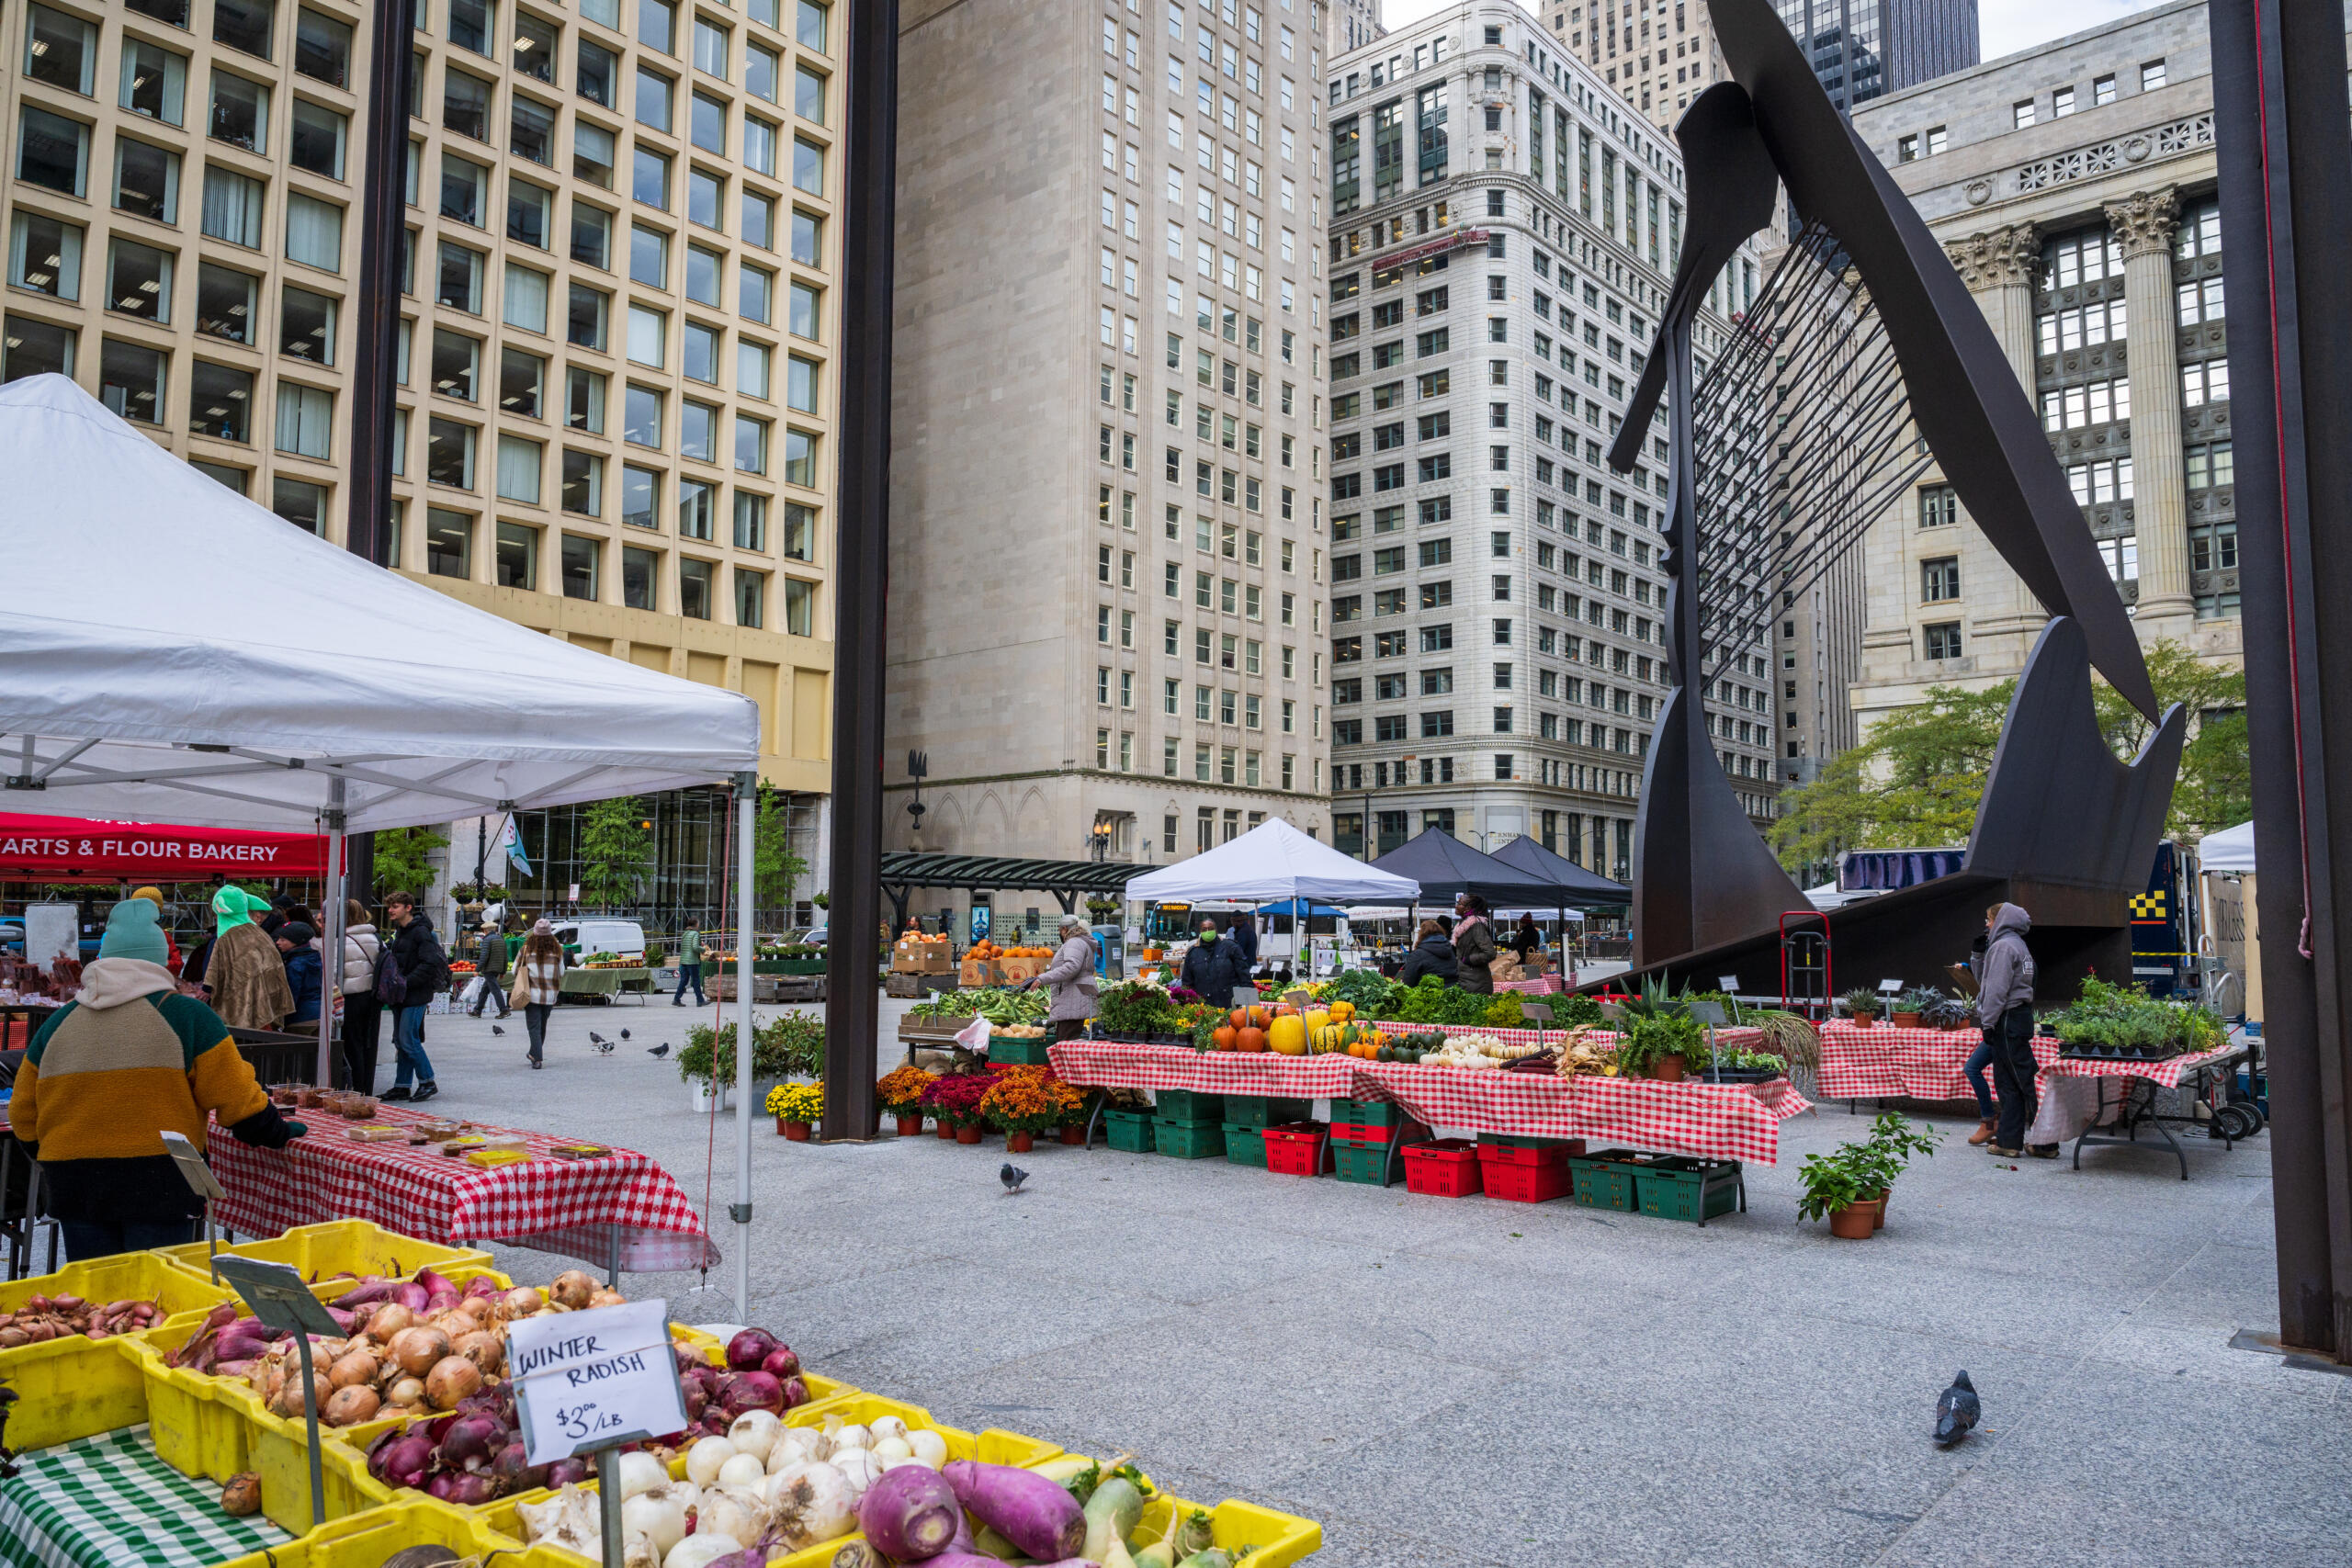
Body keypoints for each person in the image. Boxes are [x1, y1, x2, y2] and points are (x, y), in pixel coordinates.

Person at [8, 898, 304, 1261]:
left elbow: (23, 1112)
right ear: (160, 961)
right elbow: (238, 1101)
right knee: (160, 1296)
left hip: (74, 1183)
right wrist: (276, 1132)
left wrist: (59, 1156)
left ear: (102, 958)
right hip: (162, 1182)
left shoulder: (57, 1022)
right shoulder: (185, 1014)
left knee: (96, 1305)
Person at [1977, 901, 2052, 1157]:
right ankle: (2009, 1142)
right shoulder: (2019, 945)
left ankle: (2046, 1142)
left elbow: (1995, 990)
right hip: (2017, 1018)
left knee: (2024, 1082)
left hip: (2006, 1019)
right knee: (2010, 1082)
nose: (1986, 924)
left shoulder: (2002, 947)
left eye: (1988, 919)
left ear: (2001, 921)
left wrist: (1987, 1023)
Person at [380, 891, 447, 1103]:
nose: (391, 910)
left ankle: (428, 1081)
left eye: (396, 906)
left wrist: (406, 982)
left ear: (408, 907)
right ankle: (402, 1086)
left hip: (415, 994)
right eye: (390, 906)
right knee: (402, 1042)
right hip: (402, 993)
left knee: (409, 1040)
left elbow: (429, 963)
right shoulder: (402, 931)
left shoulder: (420, 932)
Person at [204, 886, 293, 1030]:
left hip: (236, 1014)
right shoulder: (261, 935)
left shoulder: (226, 938)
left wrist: (205, 990)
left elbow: (212, 973)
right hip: (266, 1010)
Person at [1026, 914, 1100, 1041]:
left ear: (1065, 929)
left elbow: (1071, 967)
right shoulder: (1079, 941)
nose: (1060, 933)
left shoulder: (1074, 942)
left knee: (1065, 1042)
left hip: (1072, 1000)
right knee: (1069, 1041)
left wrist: (1042, 978)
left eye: (1060, 930)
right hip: (1074, 998)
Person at [338, 898, 382, 1094]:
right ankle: (365, 1087)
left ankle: (355, 1086)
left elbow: (335, 974)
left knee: (351, 1043)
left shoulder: (342, 941)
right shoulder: (375, 938)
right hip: (372, 997)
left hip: (351, 997)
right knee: (367, 1043)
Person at [509, 919, 566, 1069]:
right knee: (542, 1026)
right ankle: (534, 1053)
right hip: (549, 995)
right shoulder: (557, 950)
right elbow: (562, 972)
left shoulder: (526, 949)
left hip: (531, 994)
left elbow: (514, 969)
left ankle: (537, 1058)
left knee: (534, 1026)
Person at [1179, 919, 1246, 1008]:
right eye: (1204, 929)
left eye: (1210, 929)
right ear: (1200, 932)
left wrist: (1243, 1005)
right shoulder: (1192, 953)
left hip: (1228, 1005)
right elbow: (1187, 983)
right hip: (1203, 1008)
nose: (1207, 932)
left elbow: (1243, 976)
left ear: (1216, 931)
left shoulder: (1230, 948)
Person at [275, 921, 322, 1029]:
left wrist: (282, 1017)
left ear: (295, 942)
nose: (278, 942)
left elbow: (291, 995)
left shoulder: (295, 965)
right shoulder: (315, 959)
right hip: (318, 1014)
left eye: (283, 939)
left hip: (300, 1018)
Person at [129, 886, 182, 975]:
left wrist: (153, 964)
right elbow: (104, 962)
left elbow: (177, 965)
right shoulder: (120, 933)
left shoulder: (162, 936)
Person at [1453, 894, 1498, 995]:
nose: (1456, 905)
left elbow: (1490, 953)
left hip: (1477, 985)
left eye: (1459, 903)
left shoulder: (1476, 925)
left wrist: (1469, 960)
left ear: (1467, 908)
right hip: (1467, 982)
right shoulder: (1462, 925)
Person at [469, 921, 512, 1020]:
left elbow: (484, 956)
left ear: (485, 930)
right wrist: (503, 971)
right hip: (498, 968)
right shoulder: (501, 939)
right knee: (485, 990)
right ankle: (477, 1010)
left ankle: (504, 1009)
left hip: (489, 969)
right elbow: (505, 956)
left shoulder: (487, 940)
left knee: (495, 989)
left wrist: (477, 969)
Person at [1397, 919, 1460, 987]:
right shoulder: (1450, 950)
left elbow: (1408, 982)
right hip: (1452, 993)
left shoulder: (1418, 954)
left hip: (1429, 994)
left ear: (1421, 934)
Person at [672, 927, 707, 1007]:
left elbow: (687, 946)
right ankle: (700, 1001)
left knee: (683, 981)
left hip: (683, 961)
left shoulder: (685, 934)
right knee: (696, 980)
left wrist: (699, 944)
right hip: (692, 961)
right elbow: (694, 947)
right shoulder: (695, 934)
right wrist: (703, 949)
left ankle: (676, 999)